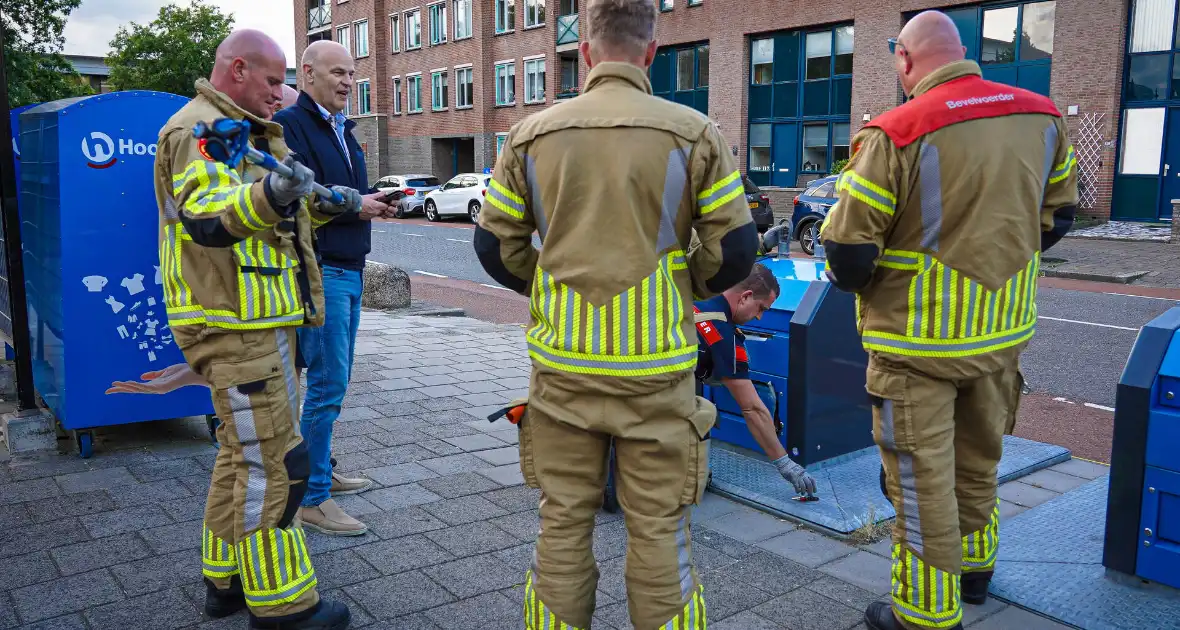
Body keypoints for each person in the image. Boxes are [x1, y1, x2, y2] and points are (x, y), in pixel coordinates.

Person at [473, 0, 759, 626]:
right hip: (657, 371)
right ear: (651, 51)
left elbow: (494, 247)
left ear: (587, 53)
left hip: (563, 371)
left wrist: (547, 287)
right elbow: (737, 248)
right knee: (660, 528)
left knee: (563, 521)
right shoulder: (694, 131)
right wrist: (683, 285)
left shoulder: (530, 134)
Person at [818, 11, 1077, 630]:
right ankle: (977, 569)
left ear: (904, 61)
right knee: (981, 455)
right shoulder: (1041, 118)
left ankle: (925, 612)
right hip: (1001, 333)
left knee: (919, 474)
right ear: (963, 52)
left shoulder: (898, 130)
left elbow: (849, 252)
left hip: (916, 343)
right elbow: (1059, 217)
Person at [153, 29, 361, 630]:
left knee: (239, 456)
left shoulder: (238, 128)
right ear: (237, 69)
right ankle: (284, 606)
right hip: (235, 325)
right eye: (274, 81)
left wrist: (326, 201)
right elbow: (210, 217)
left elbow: (271, 208)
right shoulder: (203, 131)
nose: (284, 93)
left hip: (250, 321)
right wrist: (272, 192)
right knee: (279, 463)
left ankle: (226, 580)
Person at [273, 40, 393, 537]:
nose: (348, 81)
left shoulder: (343, 128)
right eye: (337, 72)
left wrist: (374, 203)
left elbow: (341, 197)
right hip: (323, 273)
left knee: (331, 385)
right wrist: (355, 206)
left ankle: (322, 470)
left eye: (351, 73)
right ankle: (313, 500)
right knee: (325, 386)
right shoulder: (293, 126)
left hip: (351, 268)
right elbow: (299, 197)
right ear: (307, 74)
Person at [693, 262, 817, 497]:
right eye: (761, 308)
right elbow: (753, 409)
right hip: (658, 410)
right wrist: (785, 464)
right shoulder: (726, 337)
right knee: (702, 415)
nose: (759, 317)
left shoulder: (693, 300)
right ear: (745, 297)